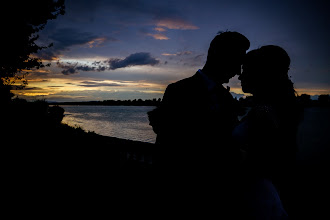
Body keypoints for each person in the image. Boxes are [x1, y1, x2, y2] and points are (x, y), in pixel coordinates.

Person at [148, 31, 250, 175]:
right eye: (236, 61)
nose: (238, 72)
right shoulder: (178, 91)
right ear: (219, 55)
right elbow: (167, 145)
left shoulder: (226, 97)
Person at [233, 45, 303, 218]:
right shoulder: (272, 108)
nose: (240, 76)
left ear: (261, 73)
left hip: (258, 198)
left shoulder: (265, 111)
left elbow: (267, 160)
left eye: (245, 70)